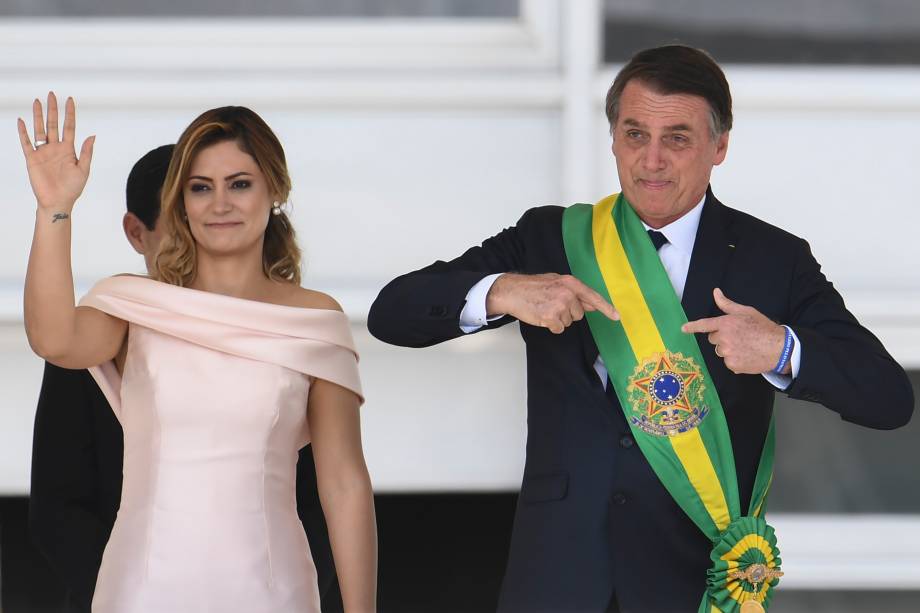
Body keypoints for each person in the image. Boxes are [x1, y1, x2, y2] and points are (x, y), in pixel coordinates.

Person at [367, 45, 914, 612]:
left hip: (690, 581)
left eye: (676, 138)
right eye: (634, 135)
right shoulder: (553, 237)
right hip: (557, 577)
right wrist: (504, 290)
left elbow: (888, 398)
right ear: (612, 139)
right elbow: (392, 313)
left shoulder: (773, 259)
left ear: (719, 146)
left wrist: (782, 349)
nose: (651, 160)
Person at [18, 95, 377, 612]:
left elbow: (344, 483)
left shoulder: (315, 319)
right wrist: (54, 208)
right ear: (180, 200)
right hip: (141, 589)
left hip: (272, 589)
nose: (221, 204)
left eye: (240, 184)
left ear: (273, 189)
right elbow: (52, 340)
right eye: (200, 188)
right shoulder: (132, 306)